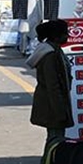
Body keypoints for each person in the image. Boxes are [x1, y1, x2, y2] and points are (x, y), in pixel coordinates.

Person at [27, 19, 72, 149]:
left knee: (55, 138)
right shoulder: (50, 55)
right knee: (55, 139)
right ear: (56, 36)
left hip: (53, 103)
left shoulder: (54, 50)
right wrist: (59, 111)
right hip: (52, 105)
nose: (67, 36)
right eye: (65, 33)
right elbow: (53, 85)